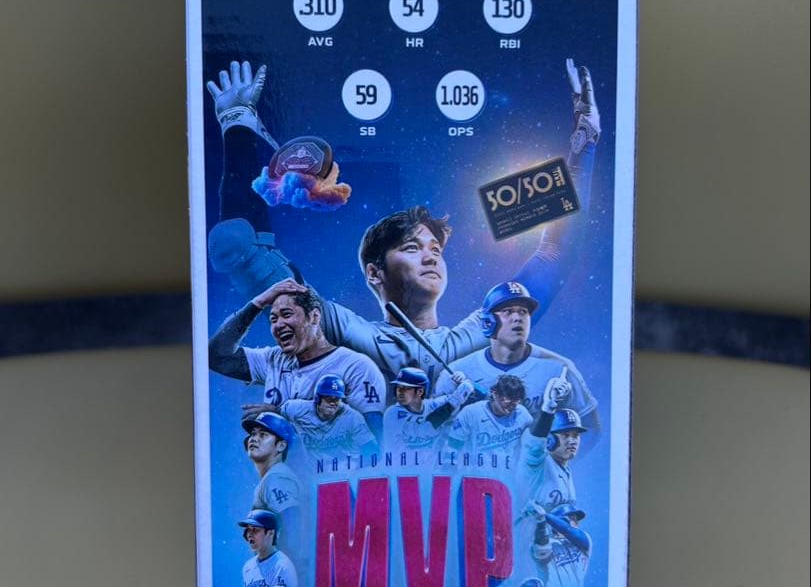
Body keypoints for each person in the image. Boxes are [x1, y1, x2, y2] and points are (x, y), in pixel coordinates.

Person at [207, 58, 601, 388]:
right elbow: (238, 248)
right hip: (358, 459)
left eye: (436, 249)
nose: (431, 257)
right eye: (412, 248)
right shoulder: (347, 333)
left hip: (473, 461)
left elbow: (555, 254)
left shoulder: (474, 335)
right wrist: (238, 126)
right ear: (374, 273)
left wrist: (584, 145)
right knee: (233, 243)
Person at [209, 284, 386, 434]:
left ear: (314, 316)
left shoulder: (356, 366)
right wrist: (258, 303)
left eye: (286, 314)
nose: (278, 325)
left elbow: (372, 438)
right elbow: (216, 357)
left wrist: (283, 415)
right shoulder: (273, 359)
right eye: (273, 319)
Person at [435, 281, 599, 437]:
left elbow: (591, 429)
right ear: (488, 322)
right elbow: (429, 430)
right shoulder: (455, 372)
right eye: (507, 311)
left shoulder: (559, 369)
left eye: (523, 311)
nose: (518, 317)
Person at [279, 374, 378, 477]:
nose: (333, 403)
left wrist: (355, 467)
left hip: (345, 473)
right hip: (314, 474)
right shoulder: (296, 409)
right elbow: (275, 421)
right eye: (329, 398)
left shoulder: (352, 418)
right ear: (317, 398)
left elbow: (373, 450)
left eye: (337, 399)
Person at [382, 366, 474, 470]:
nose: (400, 392)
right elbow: (426, 429)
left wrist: (462, 384)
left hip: (428, 473)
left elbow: (455, 402)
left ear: (420, 391)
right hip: (399, 473)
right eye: (399, 387)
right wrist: (456, 398)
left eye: (406, 388)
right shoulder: (392, 413)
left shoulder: (431, 405)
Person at [443, 374, 533, 478]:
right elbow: (452, 449)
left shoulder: (522, 414)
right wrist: (448, 476)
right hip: (475, 480)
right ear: (495, 394)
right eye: (509, 398)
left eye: (516, 400)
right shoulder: (470, 413)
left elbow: (534, 445)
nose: (512, 404)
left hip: (509, 481)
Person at [241, 411, 303, 552]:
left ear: (281, 446)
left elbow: (293, 530)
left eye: (263, 434)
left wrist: (285, 561)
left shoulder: (276, 478)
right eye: (253, 434)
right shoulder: (273, 477)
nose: (254, 439)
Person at [518, 408, 589, 513]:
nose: (572, 441)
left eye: (575, 436)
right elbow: (534, 444)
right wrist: (547, 410)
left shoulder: (566, 471)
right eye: (565, 435)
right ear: (550, 439)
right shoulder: (538, 464)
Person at [528, 504, 592, 587]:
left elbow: (568, 530)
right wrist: (541, 521)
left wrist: (545, 515)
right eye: (571, 518)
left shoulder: (584, 540)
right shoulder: (543, 543)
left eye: (576, 519)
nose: (575, 522)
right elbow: (542, 549)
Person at [237, 510, 297, 587]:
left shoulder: (282, 566)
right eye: (248, 530)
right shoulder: (247, 567)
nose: (249, 534)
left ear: (270, 533)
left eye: (255, 530)